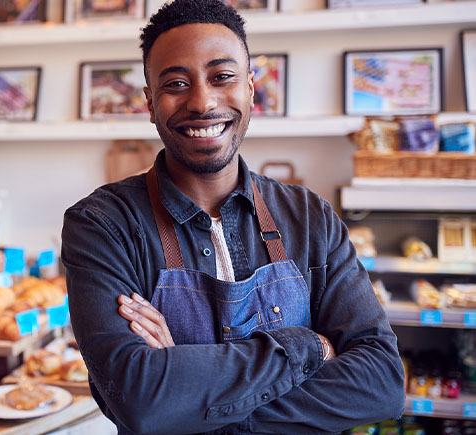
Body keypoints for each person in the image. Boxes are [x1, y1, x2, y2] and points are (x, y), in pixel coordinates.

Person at [60, 0, 406, 433]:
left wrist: (189, 398)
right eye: (176, 84)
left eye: (222, 77)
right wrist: (309, 348)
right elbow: (140, 400)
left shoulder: (309, 216)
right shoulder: (101, 225)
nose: (203, 102)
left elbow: (381, 384)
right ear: (150, 104)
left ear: (250, 89)